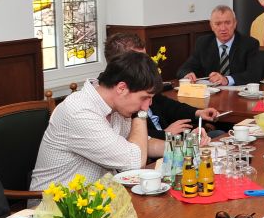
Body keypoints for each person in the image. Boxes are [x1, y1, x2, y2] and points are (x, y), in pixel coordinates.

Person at [30, 52, 170, 191]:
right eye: (145, 98)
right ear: (121, 88)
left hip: (98, 196)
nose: (148, 105)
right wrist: (141, 114)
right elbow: (135, 163)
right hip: (57, 201)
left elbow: (142, 143)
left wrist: (177, 149)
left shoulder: (116, 106)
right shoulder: (79, 111)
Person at [104, 33, 218, 139]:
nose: (146, 64)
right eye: (140, 60)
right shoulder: (119, 97)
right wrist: (165, 134)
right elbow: (133, 138)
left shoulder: (143, 83)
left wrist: (197, 113)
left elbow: (166, 104)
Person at [177, 5, 261, 86]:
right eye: (218, 24)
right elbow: (183, 69)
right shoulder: (203, 43)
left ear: (235, 23)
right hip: (212, 93)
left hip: (238, 92)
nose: (223, 28)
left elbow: (254, 75)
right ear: (211, 26)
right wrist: (187, 74)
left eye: (227, 23)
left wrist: (227, 80)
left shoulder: (250, 44)